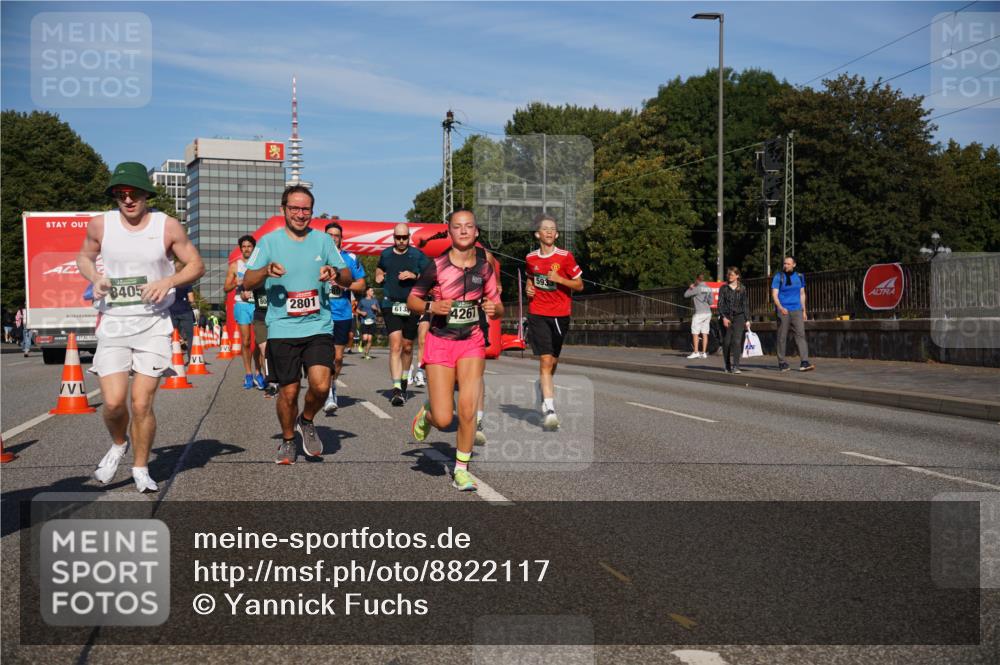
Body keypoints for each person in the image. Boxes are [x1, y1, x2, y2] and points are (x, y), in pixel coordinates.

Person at [77, 162, 205, 492]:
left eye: (134, 193)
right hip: (115, 322)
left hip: (152, 324)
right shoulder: (100, 225)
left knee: (141, 403)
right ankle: (119, 443)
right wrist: (95, 278)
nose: (128, 200)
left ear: (146, 194)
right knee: (114, 403)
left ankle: (140, 466)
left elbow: (196, 264)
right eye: (121, 194)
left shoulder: (167, 226)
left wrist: (169, 281)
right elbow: (84, 257)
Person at [242, 185, 352, 464]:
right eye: (294, 208)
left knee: (320, 385)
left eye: (306, 209)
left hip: (318, 325)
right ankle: (288, 439)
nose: (300, 214)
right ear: (283, 210)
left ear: (312, 212)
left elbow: (349, 277)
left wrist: (335, 272)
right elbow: (247, 282)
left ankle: (307, 419)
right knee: (288, 392)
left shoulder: (324, 242)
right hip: (281, 327)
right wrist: (266, 270)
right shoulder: (268, 242)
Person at [409, 209, 503, 491]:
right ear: (449, 232)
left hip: (472, 341)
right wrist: (430, 307)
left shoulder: (485, 268)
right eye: (457, 227)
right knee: (443, 418)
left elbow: (497, 305)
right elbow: (413, 299)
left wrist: (492, 308)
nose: (463, 231)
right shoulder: (435, 266)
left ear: (476, 232)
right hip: (440, 341)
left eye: (469, 226)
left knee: (467, 408)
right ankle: (427, 413)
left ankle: (461, 469)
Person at [524, 214, 583, 431]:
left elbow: (579, 285)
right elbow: (530, 277)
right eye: (545, 229)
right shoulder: (531, 258)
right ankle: (549, 409)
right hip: (538, 312)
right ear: (537, 234)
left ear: (556, 234)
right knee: (545, 361)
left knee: (553, 362)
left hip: (560, 314)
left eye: (552, 229)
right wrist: (528, 287)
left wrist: (560, 280)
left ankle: (543, 386)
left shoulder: (566, 257)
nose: (549, 232)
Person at [375, 223, 429, 406]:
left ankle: (404, 379)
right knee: (395, 345)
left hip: (411, 305)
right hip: (391, 303)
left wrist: (414, 275)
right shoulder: (386, 254)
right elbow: (379, 267)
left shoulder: (417, 255)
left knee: (407, 346)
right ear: (393, 237)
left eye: (404, 237)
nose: (401, 241)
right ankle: (397, 388)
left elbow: (431, 274)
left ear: (409, 237)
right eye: (398, 238)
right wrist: (379, 275)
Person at [323, 221, 366, 414]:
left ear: (341, 238)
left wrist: (344, 286)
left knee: (338, 358)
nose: (333, 238)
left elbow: (362, 285)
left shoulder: (349, 258)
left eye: (336, 235)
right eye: (329, 235)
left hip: (342, 313)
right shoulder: (317, 257)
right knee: (324, 357)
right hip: (320, 314)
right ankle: (326, 394)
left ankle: (332, 386)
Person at [225, 235, 265, 389]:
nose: (247, 249)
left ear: (254, 248)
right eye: (244, 246)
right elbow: (226, 288)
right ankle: (248, 374)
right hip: (242, 305)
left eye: (249, 246)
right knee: (246, 341)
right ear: (241, 248)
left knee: (258, 341)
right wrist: (237, 282)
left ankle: (258, 372)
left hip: (257, 304)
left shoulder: (260, 265)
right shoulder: (236, 266)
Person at [771, 256, 814, 372]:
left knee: (800, 335)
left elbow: (802, 294)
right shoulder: (778, 277)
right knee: (782, 336)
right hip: (783, 309)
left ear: (794, 264)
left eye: (788, 264)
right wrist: (780, 307)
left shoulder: (800, 276)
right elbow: (774, 294)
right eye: (785, 264)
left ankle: (804, 362)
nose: (786, 266)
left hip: (797, 309)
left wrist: (804, 310)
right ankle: (782, 362)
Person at [717, 266, 751, 374]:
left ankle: (736, 366)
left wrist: (747, 319)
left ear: (737, 276)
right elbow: (720, 304)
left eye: (732, 274)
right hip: (726, 317)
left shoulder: (742, 288)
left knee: (736, 341)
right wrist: (723, 317)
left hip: (739, 317)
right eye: (728, 274)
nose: (729, 276)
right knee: (726, 342)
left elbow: (745, 304)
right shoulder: (724, 288)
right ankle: (727, 364)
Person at [684, 273, 713, 359]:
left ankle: (696, 352)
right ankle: (704, 353)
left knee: (695, 332)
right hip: (708, 312)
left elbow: (686, 295)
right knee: (705, 333)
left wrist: (690, 287)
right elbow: (711, 302)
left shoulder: (697, 288)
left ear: (697, 279)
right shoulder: (708, 288)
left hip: (699, 313)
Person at [168, 276, 196, 359]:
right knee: (190, 336)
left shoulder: (171, 283)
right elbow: (191, 299)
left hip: (172, 311)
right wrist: (194, 306)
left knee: (171, 335)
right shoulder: (187, 284)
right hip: (186, 311)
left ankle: (171, 357)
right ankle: (191, 358)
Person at [357, 287, 380, 360]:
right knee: (365, 338)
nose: (373, 292)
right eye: (371, 290)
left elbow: (379, 311)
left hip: (372, 321)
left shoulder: (375, 301)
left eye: (373, 290)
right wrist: (362, 312)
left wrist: (375, 308)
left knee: (370, 339)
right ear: (367, 292)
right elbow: (357, 310)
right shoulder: (362, 301)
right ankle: (361, 343)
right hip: (364, 321)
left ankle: (366, 353)